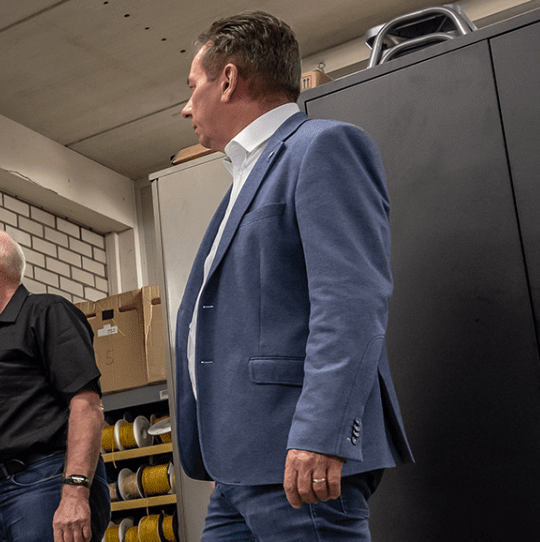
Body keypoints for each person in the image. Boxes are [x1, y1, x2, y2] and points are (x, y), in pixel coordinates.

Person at [171, 11, 413, 542]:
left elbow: (351, 300)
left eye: (193, 88)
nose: (187, 107)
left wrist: (321, 434)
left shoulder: (321, 147)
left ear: (229, 79)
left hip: (298, 461)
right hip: (242, 470)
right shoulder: (244, 178)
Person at [0, 230, 109, 542]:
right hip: (0, 495)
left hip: (46, 482)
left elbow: (87, 405)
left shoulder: (46, 312)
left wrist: (74, 494)